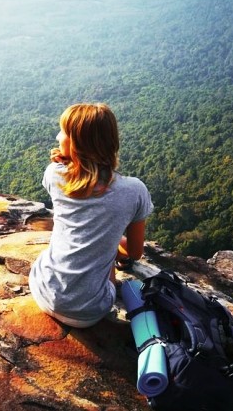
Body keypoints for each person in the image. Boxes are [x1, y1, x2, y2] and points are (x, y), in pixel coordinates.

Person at [28, 103, 154, 328]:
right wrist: (111, 243)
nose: (58, 137)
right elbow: (135, 252)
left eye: (64, 133)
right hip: (88, 314)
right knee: (108, 266)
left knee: (47, 254)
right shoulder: (135, 191)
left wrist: (67, 162)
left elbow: (80, 192)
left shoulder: (54, 175)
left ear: (77, 145)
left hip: (44, 293)